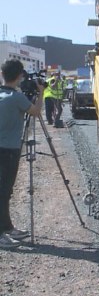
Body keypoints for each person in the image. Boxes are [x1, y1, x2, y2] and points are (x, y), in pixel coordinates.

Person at [0, 59, 44, 249]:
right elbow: (36, 112)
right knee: (4, 191)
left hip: (4, 148)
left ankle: (7, 227)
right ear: (19, 76)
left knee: (4, 190)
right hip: (9, 150)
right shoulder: (17, 98)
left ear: (2, 74)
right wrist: (41, 93)